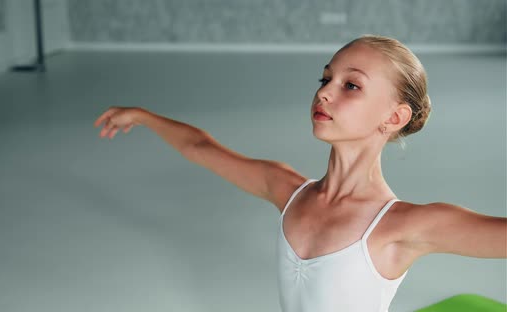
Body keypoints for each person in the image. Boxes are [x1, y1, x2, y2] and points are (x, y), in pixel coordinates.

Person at [93, 34, 507, 312]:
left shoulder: (403, 225)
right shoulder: (288, 191)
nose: (324, 91)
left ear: (394, 117)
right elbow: (202, 147)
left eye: (351, 85)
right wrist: (144, 116)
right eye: (326, 77)